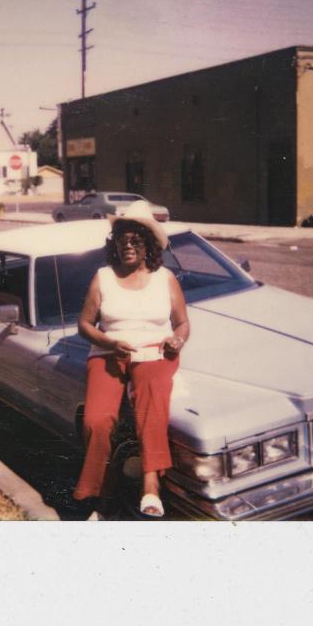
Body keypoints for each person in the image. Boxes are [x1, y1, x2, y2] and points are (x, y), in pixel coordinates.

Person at [73, 200, 190, 519]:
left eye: (136, 239)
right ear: (115, 243)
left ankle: (150, 487)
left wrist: (176, 340)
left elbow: (182, 323)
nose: (128, 244)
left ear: (148, 244)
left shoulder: (165, 278)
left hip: (154, 353)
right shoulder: (103, 277)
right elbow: (84, 325)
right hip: (109, 354)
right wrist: (108, 342)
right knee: (96, 421)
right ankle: (95, 495)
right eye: (122, 238)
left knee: (150, 409)